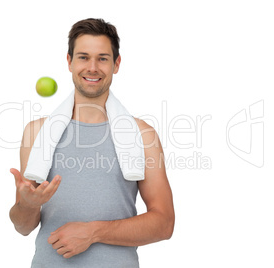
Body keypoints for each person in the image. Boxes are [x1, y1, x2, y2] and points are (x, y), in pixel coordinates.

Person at [9, 18, 175, 268]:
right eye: (84, 57)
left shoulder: (143, 135)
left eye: (103, 58)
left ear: (116, 64)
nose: (93, 67)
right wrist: (28, 205)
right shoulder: (37, 133)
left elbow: (164, 224)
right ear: (69, 62)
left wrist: (94, 232)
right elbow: (23, 226)